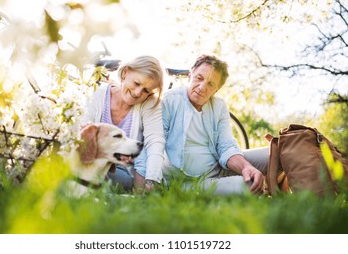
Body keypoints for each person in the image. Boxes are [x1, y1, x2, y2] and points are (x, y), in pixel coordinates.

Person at [162, 54, 269, 195]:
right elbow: (154, 144)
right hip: (192, 182)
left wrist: (245, 167)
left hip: (219, 165)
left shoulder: (219, 106)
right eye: (199, 78)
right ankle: (270, 183)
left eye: (211, 84)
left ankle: (289, 186)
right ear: (190, 75)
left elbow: (226, 146)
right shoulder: (170, 100)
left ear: (216, 90)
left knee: (275, 153)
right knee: (248, 186)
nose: (201, 87)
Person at [82, 55, 165, 192]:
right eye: (137, 83)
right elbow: (82, 133)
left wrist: (151, 179)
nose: (138, 93)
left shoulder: (149, 104)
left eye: (146, 90)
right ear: (125, 72)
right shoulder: (97, 94)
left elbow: (155, 142)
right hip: (91, 164)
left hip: (121, 173)